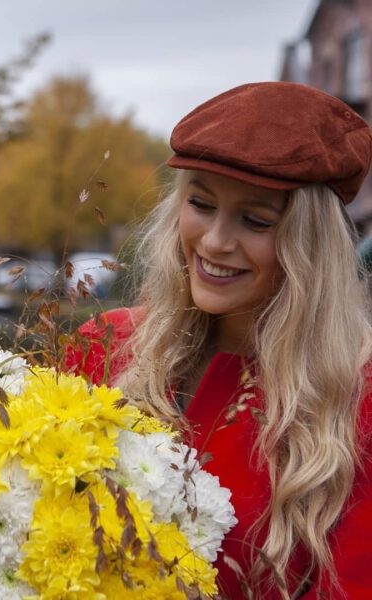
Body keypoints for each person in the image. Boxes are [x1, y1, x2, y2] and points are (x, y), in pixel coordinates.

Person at [65, 82, 372, 599]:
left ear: (311, 245)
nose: (214, 242)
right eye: (201, 205)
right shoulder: (104, 344)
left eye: (255, 220)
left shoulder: (356, 402)